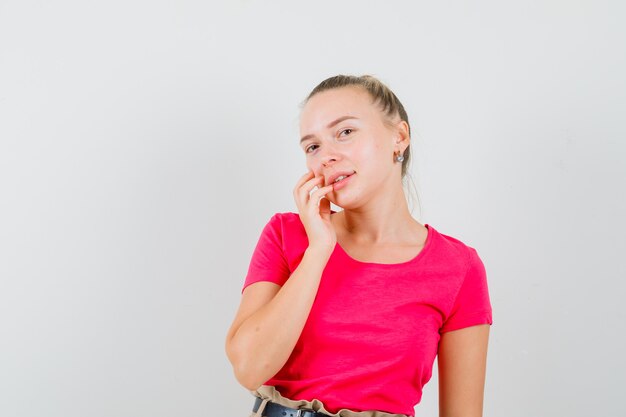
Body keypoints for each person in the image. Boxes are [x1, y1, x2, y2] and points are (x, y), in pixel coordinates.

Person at [225, 75, 493, 417]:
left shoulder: (458, 267)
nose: (326, 156)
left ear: (399, 137)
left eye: (345, 132)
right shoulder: (286, 235)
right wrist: (318, 251)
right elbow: (249, 367)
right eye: (313, 147)